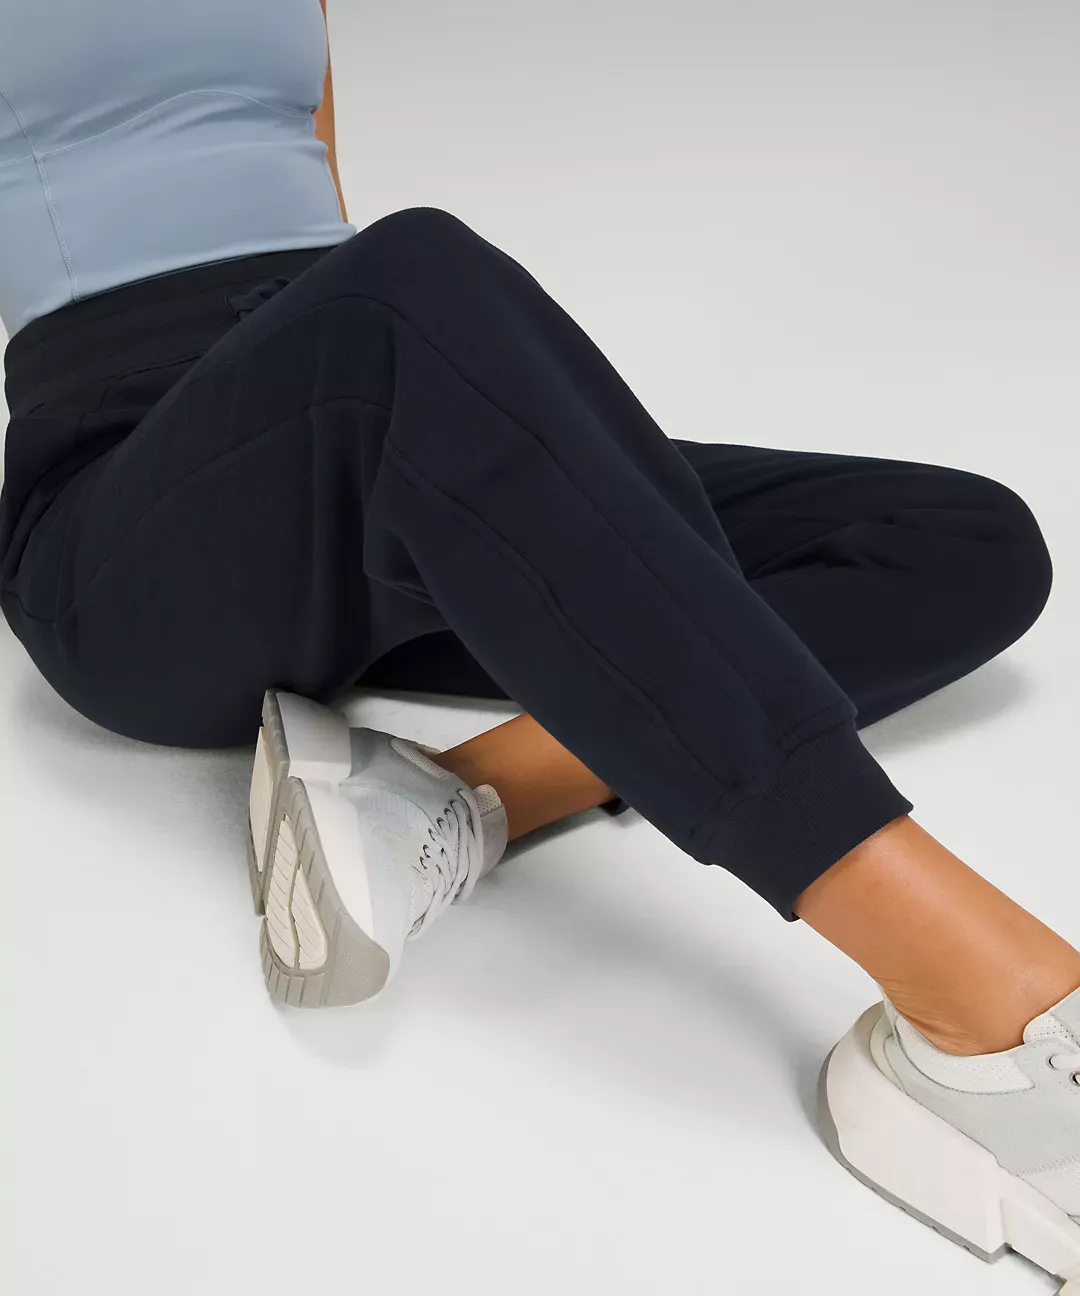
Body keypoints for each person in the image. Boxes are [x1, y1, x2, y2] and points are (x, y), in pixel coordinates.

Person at [0, 2, 1076, 1289]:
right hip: (131, 518)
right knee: (410, 278)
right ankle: (983, 1015)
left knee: (961, 541)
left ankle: (464, 795)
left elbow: (309, 181)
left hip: (351, 418)